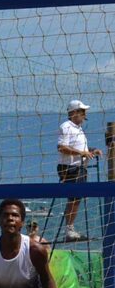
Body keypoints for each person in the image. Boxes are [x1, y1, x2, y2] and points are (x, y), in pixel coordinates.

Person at [57, 99, 102, 241]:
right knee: (74, 198)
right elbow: (61, 147)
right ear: (74, 112)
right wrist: (82, 153)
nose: (84, 115)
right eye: (82, 112)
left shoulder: (79, 129)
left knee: (77, 199)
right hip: (70, 168)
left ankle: (70, 228)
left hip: (80, 167)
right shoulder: (66, 127)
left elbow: (79, 149)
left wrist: (91, 150)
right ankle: (69, 230)